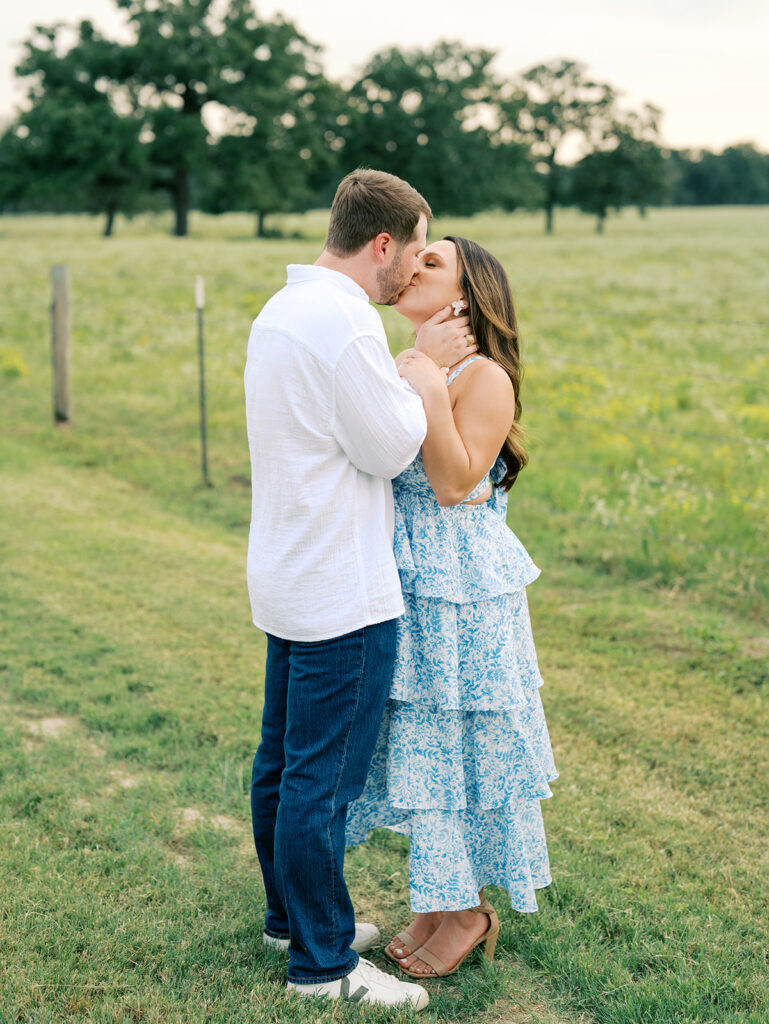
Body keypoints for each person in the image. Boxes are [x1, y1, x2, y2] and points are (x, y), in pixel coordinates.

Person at [244, 170, 477, 1010]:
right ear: (382, 243)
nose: (412, 271)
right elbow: (386, 449)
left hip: (286, 570)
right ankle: (323, 965)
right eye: (413, 252)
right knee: (320, 782)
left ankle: (290, 918)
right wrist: (425, 370)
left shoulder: (282, 310)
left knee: (280, 765)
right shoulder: (342, 323)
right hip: (339, 587)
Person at [346, 235, 558, 979]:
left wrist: (431, 386)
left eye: (432, 263)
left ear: (467, 299)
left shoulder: (482, 377)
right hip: (402, 574)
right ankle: (438, 901)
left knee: (460, 744)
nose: (411, 268)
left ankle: (468, 910)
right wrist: (419, 374)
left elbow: (453, 481)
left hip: (461, 585)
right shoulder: (404, 360)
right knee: (420, 743)